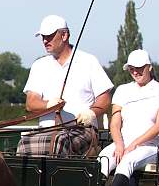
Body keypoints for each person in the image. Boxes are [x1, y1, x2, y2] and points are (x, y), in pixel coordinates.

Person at [17, 14, 113, 157]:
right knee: (23, 144)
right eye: (43, 37)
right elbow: (31, 103)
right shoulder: (39, 65)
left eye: (49, 36)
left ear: (64, 35)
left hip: (81, 130)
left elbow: (104, 98)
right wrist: (49, 104)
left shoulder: (88, 61)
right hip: (47, 131)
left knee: (58, 143)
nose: (45, 40)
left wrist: (91, 113)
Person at [98, 49, 159, 186]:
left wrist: (134, 144)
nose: (135, 72)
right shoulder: (122, 90)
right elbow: (115, 123)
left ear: (149, 67)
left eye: (139, 68)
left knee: (127, 161)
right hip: (123, 142)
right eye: (131, 69)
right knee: (103, 159)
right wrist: (119, 144)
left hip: (149, 146)